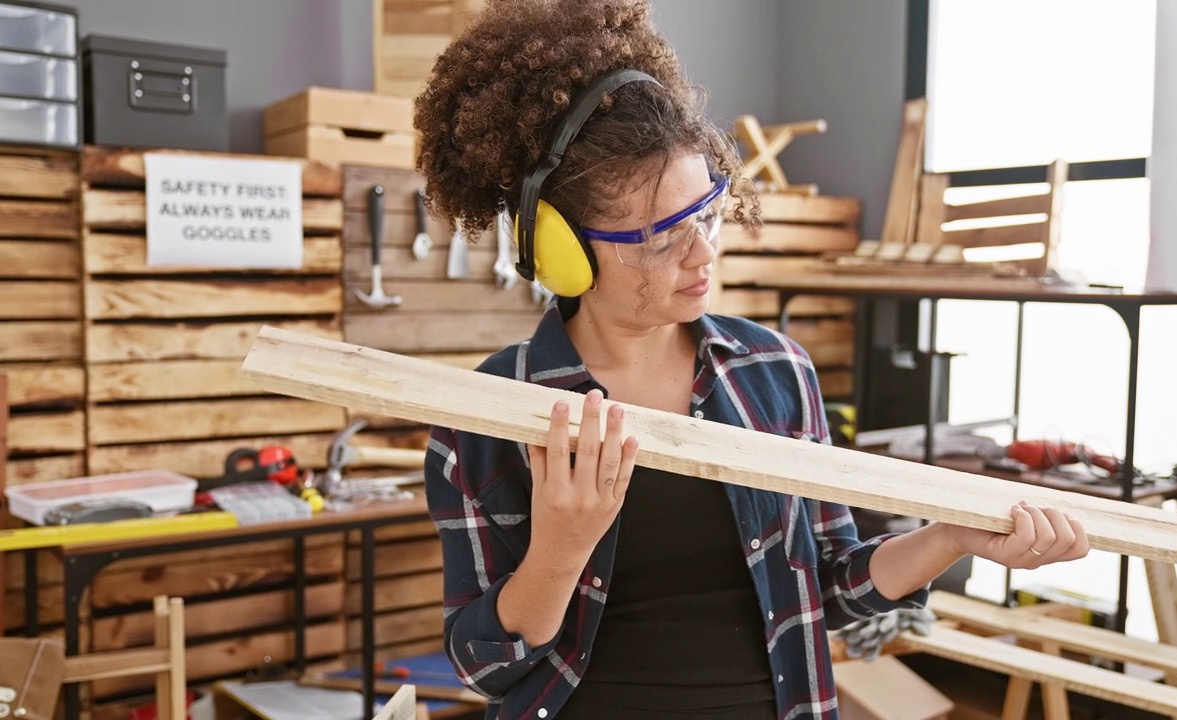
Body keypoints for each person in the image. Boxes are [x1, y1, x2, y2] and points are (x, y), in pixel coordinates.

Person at [416, 2, 1090, 718]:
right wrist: (560, 548)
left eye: (707, 212)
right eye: (663, 236)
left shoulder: (774, 372)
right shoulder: (490, 416)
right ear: (563, 250)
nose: (704, 253)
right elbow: (481, 669)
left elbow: (830, 586)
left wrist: (953, 535)